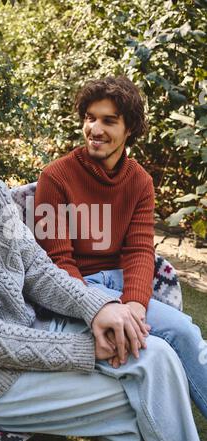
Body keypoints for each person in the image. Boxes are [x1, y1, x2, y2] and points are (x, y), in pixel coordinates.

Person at [0, 84, 202, 441]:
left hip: (31, 327)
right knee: (143, 398)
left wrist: (100, 307)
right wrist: (82, 348)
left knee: (157, 354)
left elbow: (37, 267)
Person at [34, 76, 207, 418]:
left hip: (120, 282)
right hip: (78, 285)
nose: (95, 129)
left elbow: (139, 251)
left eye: (109, 120)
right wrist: (96, 306)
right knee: (157, 344)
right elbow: (57, 260)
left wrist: (135, 306)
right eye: (90, 118)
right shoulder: (55, 177)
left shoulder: (140, 181)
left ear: (130, 129)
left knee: (185, 331)